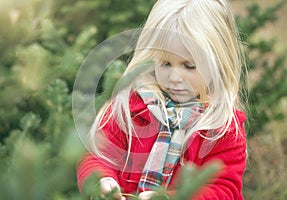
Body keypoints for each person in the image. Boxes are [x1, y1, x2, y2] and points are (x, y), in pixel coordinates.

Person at [77, 0, 247, 199]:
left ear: (218, 62)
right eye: (165, 63)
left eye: (189, 66)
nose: (175, 77)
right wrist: (101, 181)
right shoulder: (129, 105)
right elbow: (98, 155)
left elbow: (223, 189)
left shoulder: (223, 128)